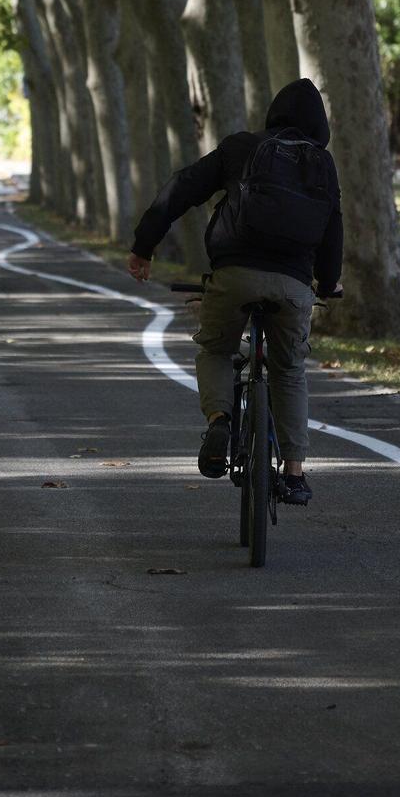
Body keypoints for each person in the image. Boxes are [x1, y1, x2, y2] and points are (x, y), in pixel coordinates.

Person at [126, 78, 343, 505]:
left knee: (216, 350)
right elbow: (333, 228)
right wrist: (328, 279)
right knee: (288, 370)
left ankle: (220, 418)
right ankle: (295, 473)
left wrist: (143, 246)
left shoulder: (241, 147)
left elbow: (180, 190)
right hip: (294, 285)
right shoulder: (322, 163)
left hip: (233, 274)